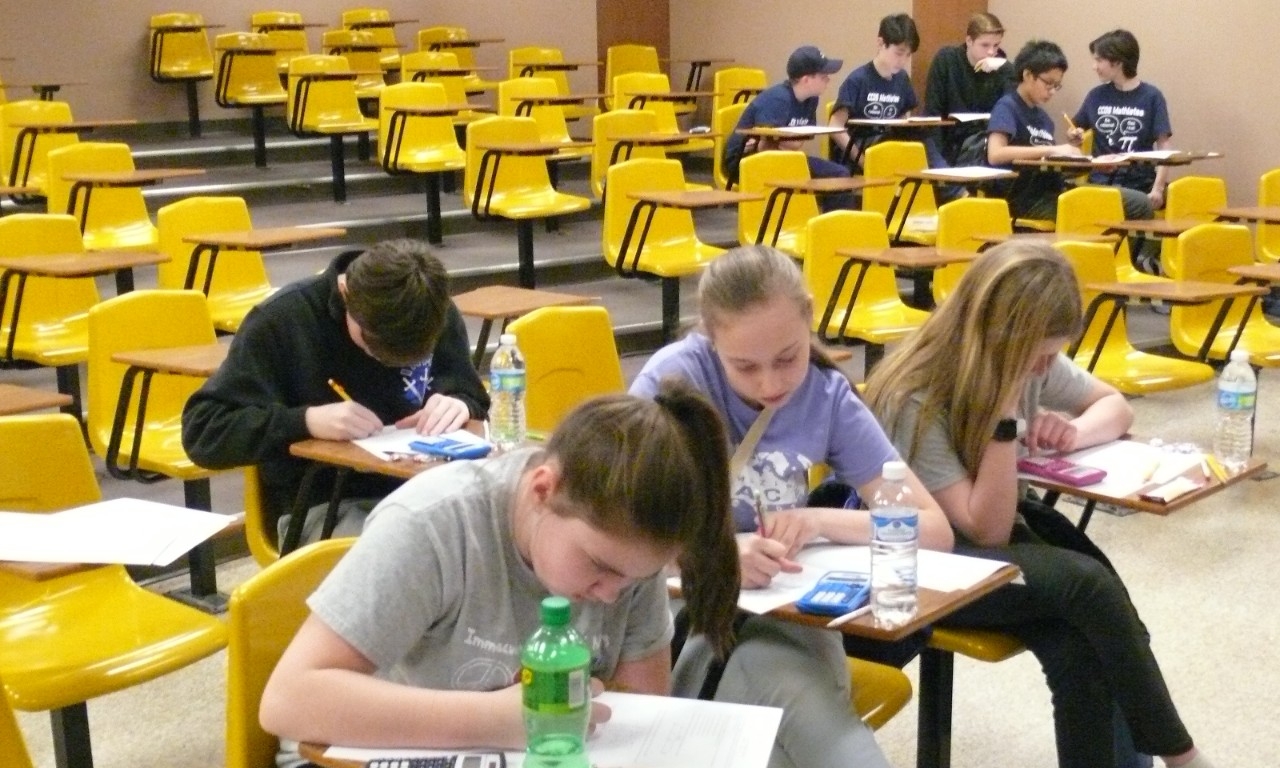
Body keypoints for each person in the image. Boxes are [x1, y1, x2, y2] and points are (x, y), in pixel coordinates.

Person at [864, 241, 1217, 768]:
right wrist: (1003, 420)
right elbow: (984, 532)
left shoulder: (1029, 360)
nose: (1045, 369)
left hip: (996, 543)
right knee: (1088, 585)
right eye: (1039, 356)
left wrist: (1073, 431)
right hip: (920, 561)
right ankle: (1183, 756)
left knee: (1083, 646)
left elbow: (1114, 406)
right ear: (1001, 337)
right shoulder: (916, 394)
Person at [258, 382, 742, 764]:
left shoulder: (625, 550)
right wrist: (496, 719)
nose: (613, 594)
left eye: (635, 579)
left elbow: (642, 716)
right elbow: (288, 700)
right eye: (600, 567)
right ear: (543, 489)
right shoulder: (433, 525)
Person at [630, 244, 954, 768]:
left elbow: (933, 528)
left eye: (787, 358)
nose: (771, 383)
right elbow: (616, 531)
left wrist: (818, 519)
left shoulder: (826, 395)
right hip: (689, 622)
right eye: (744, 367)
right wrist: (715, 556)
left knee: (784, 711)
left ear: (809, 320)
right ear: (711, 340)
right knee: (793, 707)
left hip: (790, 620)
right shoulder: (672, 381)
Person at [182, 238, 489, 541]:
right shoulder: (282, 320)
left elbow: (470, 393)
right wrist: (305, 421)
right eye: (371, 346)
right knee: (405, 550)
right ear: (345, 293)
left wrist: (460, 403)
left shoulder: (429, 307)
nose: (383, 362)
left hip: (424, 492)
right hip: (324, 505)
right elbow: (203, 432)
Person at [722, 45, 855, 211]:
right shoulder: (778, 99)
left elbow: (796, 143)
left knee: (840, 174)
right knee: (829, 175)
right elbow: (765, 147)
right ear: (806, 80)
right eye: (823, 76)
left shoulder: (811, 99)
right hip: (743, 162)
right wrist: (783, 143)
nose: (828, 80)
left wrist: (782, 142)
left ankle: (833, 223)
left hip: (781, 156)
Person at [1069, 29, 1172, 222]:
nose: (1094, 66)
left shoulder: (1152, 96)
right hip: (1100, 184)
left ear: (1117, 62)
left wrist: (1158, 188)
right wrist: (1074, 136)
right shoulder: (1096, 95)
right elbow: (1074, 131)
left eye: (1099, 60)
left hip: (1139, 183)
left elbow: (1164, 147)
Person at [985, 39, 1084, 220]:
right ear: (1028, 75)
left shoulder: (1044, 119)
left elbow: (1048, 164)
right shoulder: (1007, 107)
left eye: (1057, 86)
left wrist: (1071, 151)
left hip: (1051, 192)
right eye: (1048, 83)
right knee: (1088, 213)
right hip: (1022, 199)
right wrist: (1052, 149)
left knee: (1119, 202)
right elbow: (995, 154)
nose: (1052, 91)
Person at [828, 14, 930, 170]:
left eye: (908, 55)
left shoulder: (902, 79)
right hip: (861, 147)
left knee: (922, 135)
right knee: (890, 142)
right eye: (898, 53)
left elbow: (902, 119)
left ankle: (939, 175)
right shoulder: (857, 80)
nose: (903, 61)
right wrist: (863, 161)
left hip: (889, 145)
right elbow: (835, 126)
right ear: (881, 43)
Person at [923, 12, 1017, 165]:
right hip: (951, 144)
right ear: (969, 41)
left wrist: (1005, 67)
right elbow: (932, 112)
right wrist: (939, 164)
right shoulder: (947, 60)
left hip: (984, 145)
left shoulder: (1004, 69)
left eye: (996, 45)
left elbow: (1010, 113)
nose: (991, 52)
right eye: (985, 45)